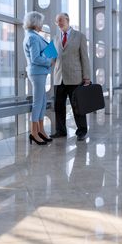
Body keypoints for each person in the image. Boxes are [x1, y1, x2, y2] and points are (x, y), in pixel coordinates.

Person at [50, 13, 91, 141]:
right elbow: (51, 59)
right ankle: (61, 131)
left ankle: (81, 131)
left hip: (75, 77)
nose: (59, 23)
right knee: (58, 106)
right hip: (59, 77)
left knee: (77, 106)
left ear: (67, 20)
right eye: (57, 22)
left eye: (61, 20)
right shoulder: (55, 38)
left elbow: (85, 58)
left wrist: (87, 76)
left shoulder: (80, 36)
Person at [23, 11, 54, 145]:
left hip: (40, 72)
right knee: (37, 102)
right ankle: (33, 132)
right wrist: (50, 61)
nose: (42, 24)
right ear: (35, 23)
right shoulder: (33, 38)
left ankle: (40, 130)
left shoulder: (34, 36)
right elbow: (35, 58)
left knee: (42, 102)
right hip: (37, 72)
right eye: (40, 22)